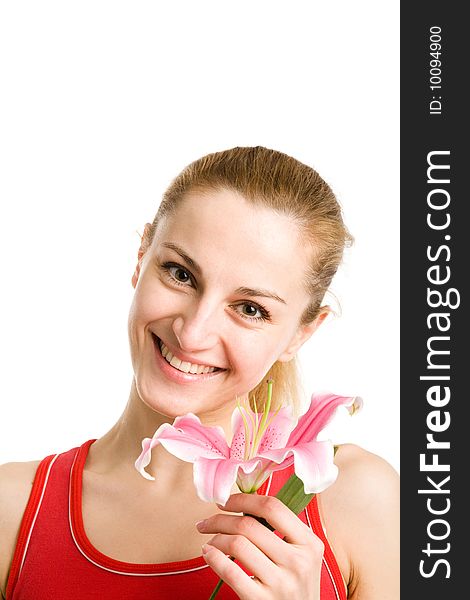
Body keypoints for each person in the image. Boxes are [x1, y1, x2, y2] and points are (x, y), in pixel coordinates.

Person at [0, 146, 399, 599]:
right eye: (180, 274)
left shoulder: (359, 498)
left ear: (300, 334)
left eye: (250, 308)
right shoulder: (11, 511)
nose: (192, 333)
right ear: (140, 258)